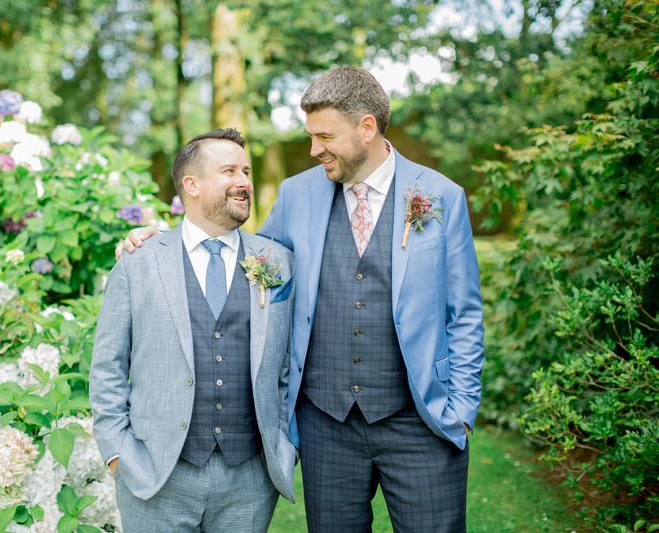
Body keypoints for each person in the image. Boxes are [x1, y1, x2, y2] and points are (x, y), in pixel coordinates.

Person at [121, 66, 484, 532]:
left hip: (420, 421)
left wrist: (461, 409)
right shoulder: (297, 194)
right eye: (311, 136)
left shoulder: (439, 196)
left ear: (367, 127)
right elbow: (245, 260)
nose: (314, 149)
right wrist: (159, 239)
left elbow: (464, 313)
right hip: (325, 426)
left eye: (325, 136)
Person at [90, 128, 297, 533]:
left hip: (250, 480)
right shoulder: (139, 261)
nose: (244, 182)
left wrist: (285, 446)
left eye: (247, 171)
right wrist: (118, 454)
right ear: (192, 184)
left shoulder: (278, 262)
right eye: (229, 171)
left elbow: (289, 365)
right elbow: (107, 368)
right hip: (156, 476)